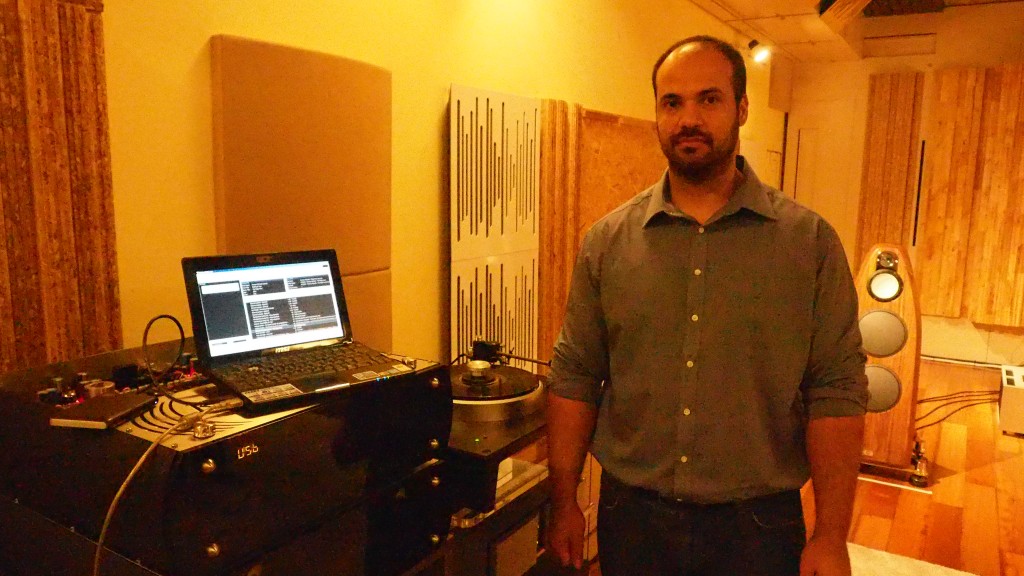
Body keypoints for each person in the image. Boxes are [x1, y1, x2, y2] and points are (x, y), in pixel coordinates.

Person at [545, 35, 868, 576]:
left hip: (759, 529)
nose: (688, 118)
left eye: (709, 99)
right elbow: (576, 375)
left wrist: (831, 536)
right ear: (656, 114)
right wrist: (563, 504)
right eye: (672, 102)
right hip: (632, 518)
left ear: (742, 108)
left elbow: (836, 390)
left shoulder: (808, 244)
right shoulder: (606, 243)